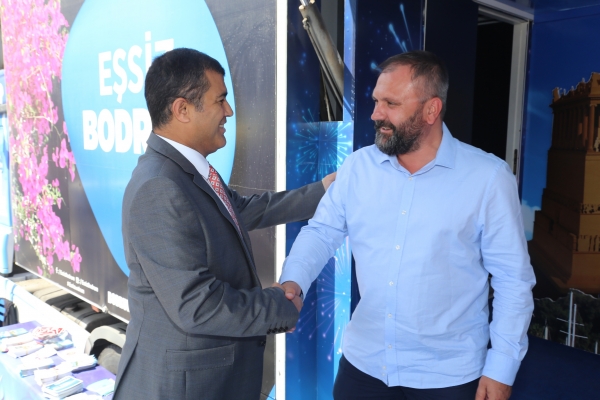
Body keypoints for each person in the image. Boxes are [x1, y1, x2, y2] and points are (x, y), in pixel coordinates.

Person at [280, 50, 535, 400]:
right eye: (376, 101)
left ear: (432, 110)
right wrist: (293, 282)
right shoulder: (357, 168)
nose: (376, 114)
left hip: (447, 378)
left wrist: (502, 366)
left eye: (391, 103)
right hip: (363, 367)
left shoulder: (488, 178)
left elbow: (512, 280)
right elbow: (321, 233)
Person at [114, 48, 334, 400]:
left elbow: (243, 210)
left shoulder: (183, 172)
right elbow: (197, 305)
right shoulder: (160, 186)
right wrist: (279, 305)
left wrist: (322, 190)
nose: (229, 111)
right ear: (182, 109)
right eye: (220, 101)